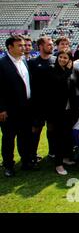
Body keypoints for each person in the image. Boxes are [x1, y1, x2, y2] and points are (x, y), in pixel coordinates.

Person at [0, 35, 35, 177]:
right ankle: (8, 165)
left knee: (25, 136)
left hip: (26, 106)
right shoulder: (2, 64)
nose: (23, 47)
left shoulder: (24, 62)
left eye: (23, 45)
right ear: (10, 47)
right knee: (9, 138)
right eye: (19, 45)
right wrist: (1, 108)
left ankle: (26, 161)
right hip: (9, 109)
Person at [28, 36, 56, 163]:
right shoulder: (32, 62)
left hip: (52, 103)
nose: (51, 46)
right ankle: (32, 154)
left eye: (52, 44)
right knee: (36, 130)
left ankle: (52, 153)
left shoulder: (55, 61)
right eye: (49, 44)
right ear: (40, 46)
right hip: (37, 104)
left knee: (52, 129)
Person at [48, 50, 76, 175]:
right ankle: (58, 165)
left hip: (69, 109)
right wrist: (69, 71)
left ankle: (65, 158)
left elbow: (77, 85)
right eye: (61, 57)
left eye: (66, 58)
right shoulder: (52, 69)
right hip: (57, 110)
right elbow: (58, 82)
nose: (63, 60)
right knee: (58, 137)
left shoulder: (71, 71)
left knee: (66, 135)